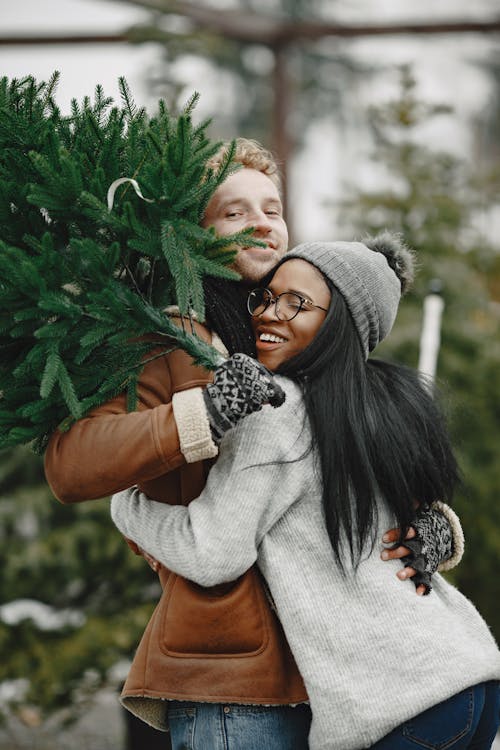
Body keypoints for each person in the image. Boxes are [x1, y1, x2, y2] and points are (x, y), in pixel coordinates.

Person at [44, 141, 462, 742]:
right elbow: (72, 462)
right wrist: (207, 411)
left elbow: (343, 464)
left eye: (272, 208)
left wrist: (427, 526)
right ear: (195, 232)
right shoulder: (164, 337)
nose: (262, 222)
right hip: (234, 676)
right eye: (235, 212)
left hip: (345, 674)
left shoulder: (300, 326)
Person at [111, 233, 500, 750]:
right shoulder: (383, 404)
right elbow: (415, 517)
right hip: (469, 678)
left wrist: (126, 504)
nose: (270, 314)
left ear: (341, 323)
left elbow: (213, 553)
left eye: (298, 303)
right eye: (268, 298)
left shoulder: (276, 412)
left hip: (400, 703)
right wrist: (441, 532)